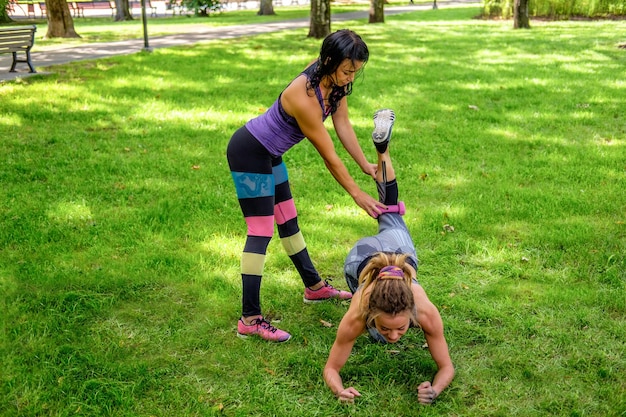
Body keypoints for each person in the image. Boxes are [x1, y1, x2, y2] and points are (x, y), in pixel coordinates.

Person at [226, 29, 389, 343]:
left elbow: (342, 123)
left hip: (270, 154)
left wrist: (365, 165)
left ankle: (314, 288)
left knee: (289, 222)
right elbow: (328, 155)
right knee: (261, 231)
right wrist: (357, 193)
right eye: (346, 70)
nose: (350, 77)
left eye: (355, 71)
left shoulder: (336, 81)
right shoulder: (304, 96)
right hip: (250, 152)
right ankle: (250, 319)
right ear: (328, 61)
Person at [323, 109, 455, 404]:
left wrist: (435, 389)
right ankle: (383, 151)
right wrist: (339, 390)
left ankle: (382, 152)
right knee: (375, 339)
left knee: (390, 208)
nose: (395, 335)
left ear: (413, 314)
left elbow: (446, 368)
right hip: (360, 259)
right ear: (371, 313)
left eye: (400, 327)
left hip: (398, 252)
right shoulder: (358, 313)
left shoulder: (426, 312)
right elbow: (331, 368)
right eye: (385, 326)